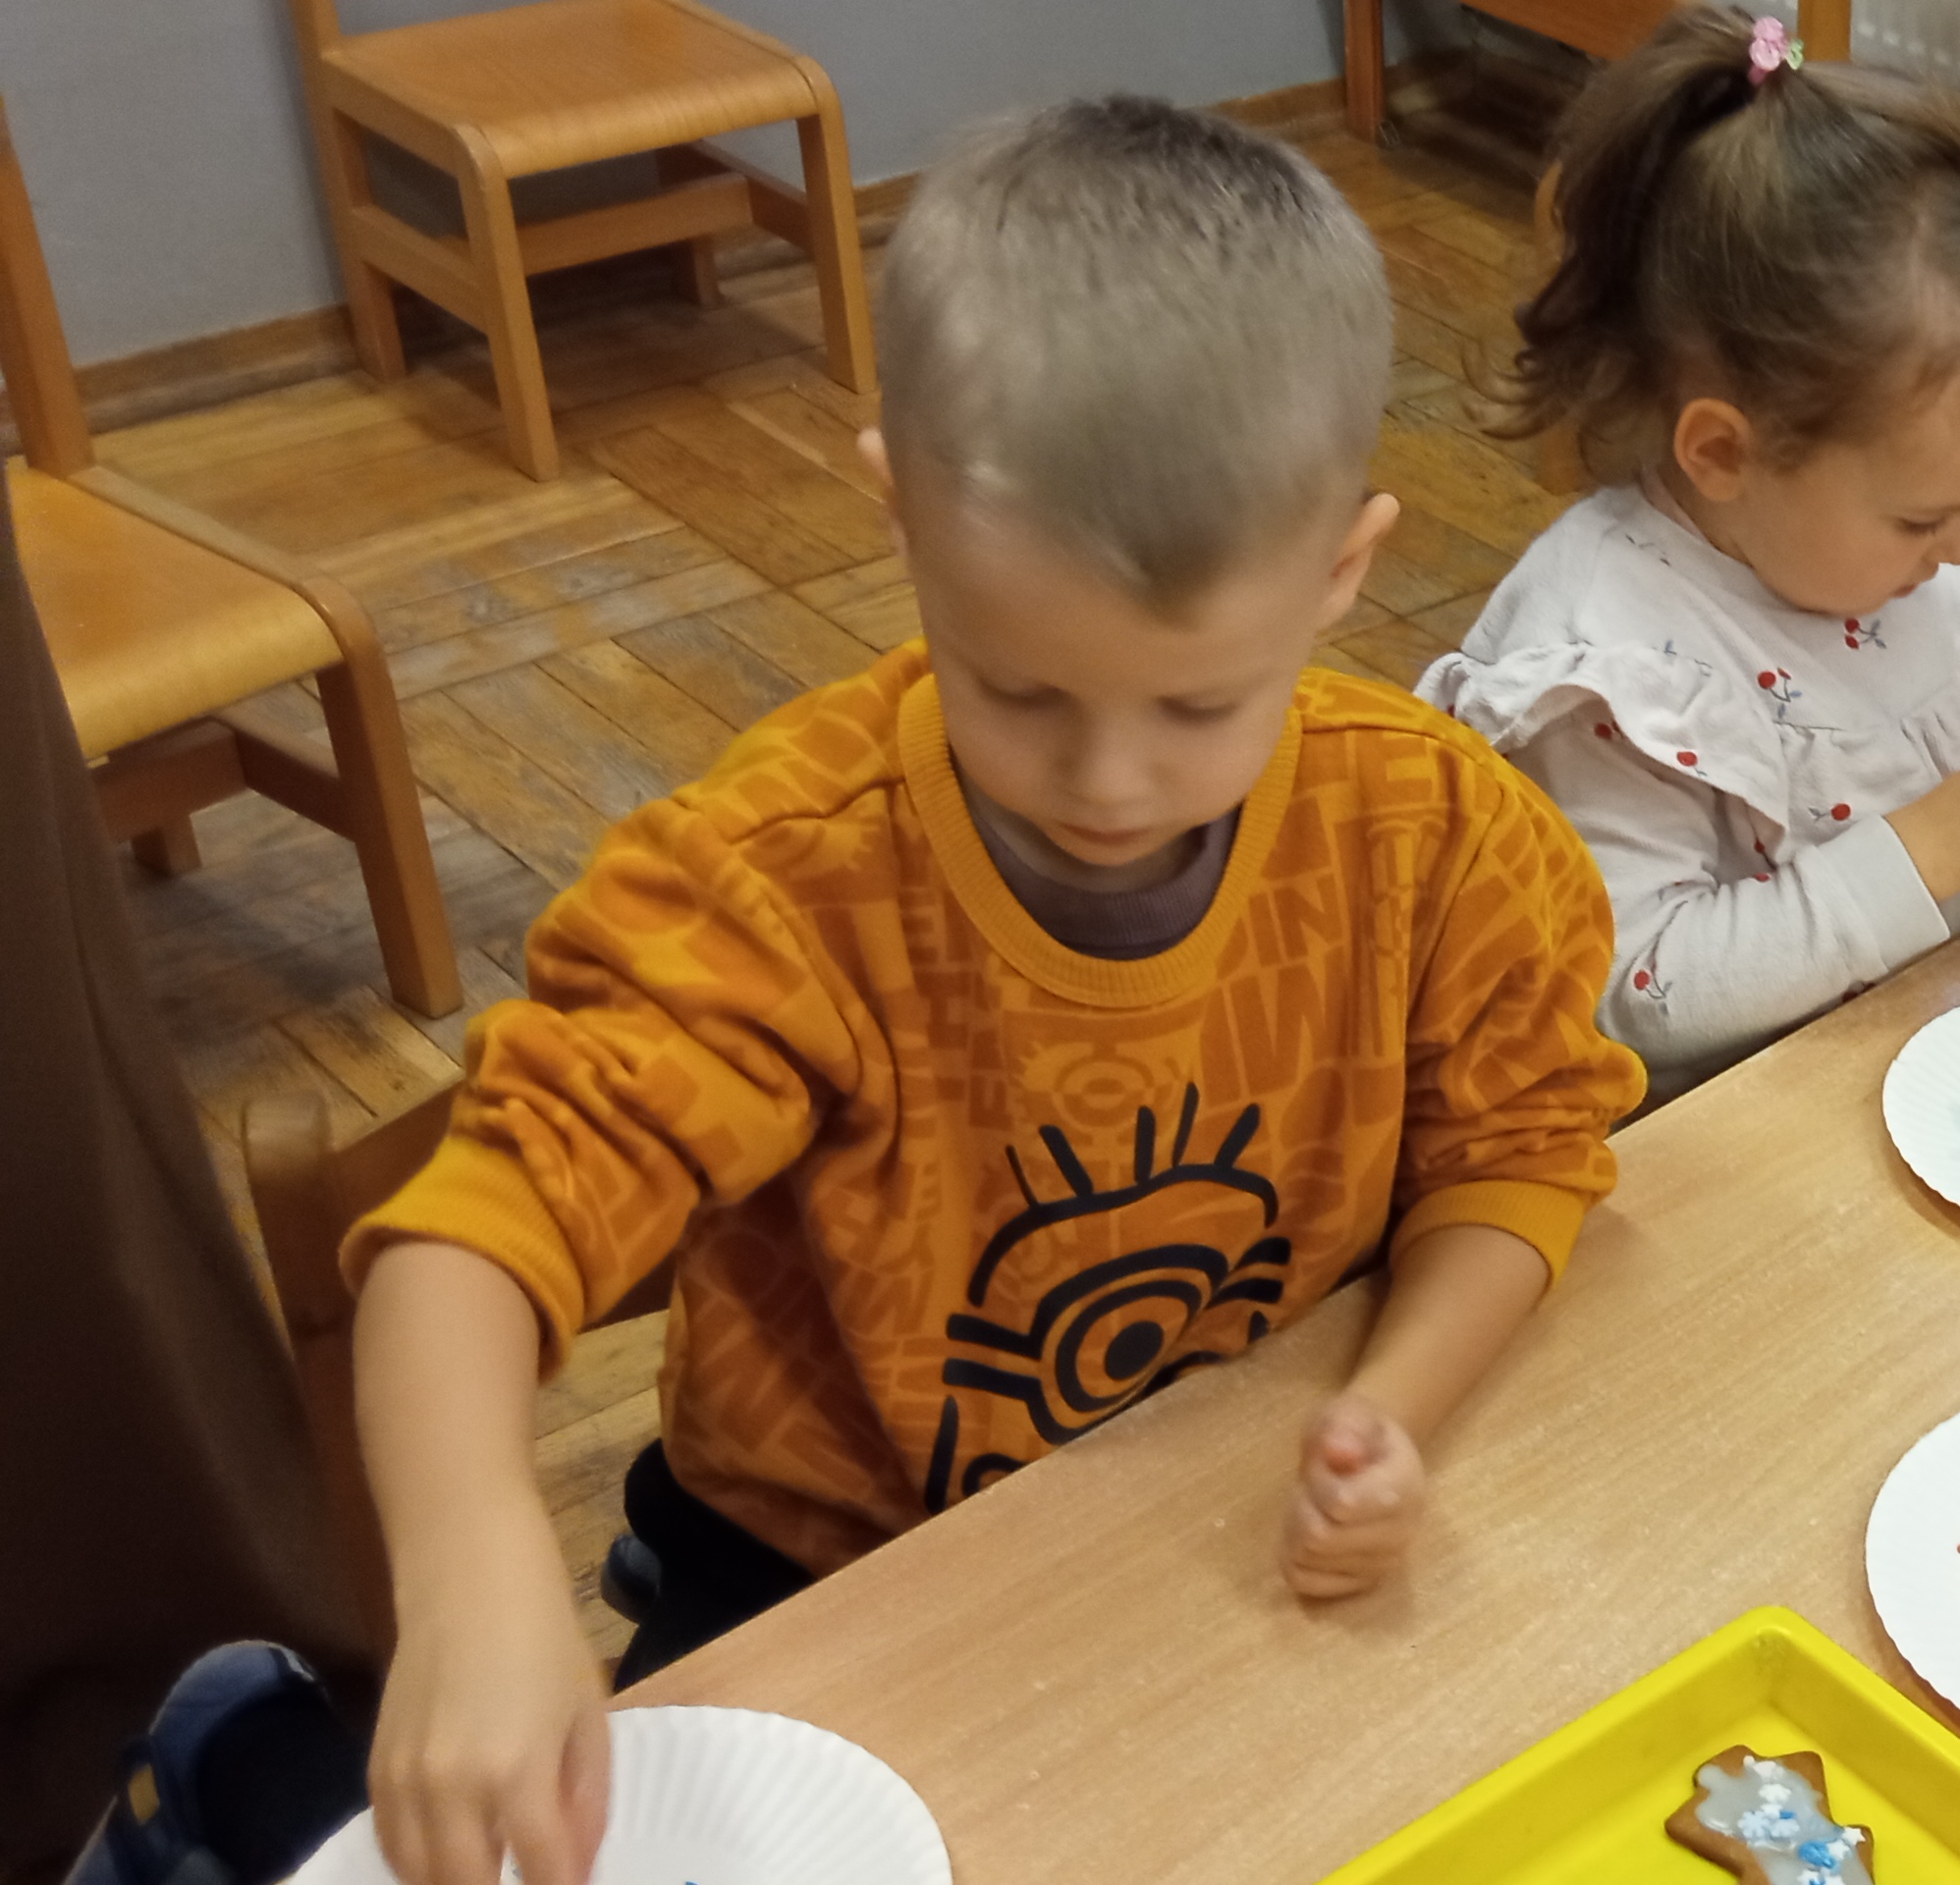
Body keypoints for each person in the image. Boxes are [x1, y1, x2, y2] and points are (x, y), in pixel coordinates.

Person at [340, 98, 1644, 1885]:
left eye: (1198, 705)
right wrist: (472, 1572)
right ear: (902, 516)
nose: (1106, 782)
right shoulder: (782, 884)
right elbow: (470, 1241)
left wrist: (1390, 1410)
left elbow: (1527, 1147)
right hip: (818, 1573)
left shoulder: (1434, 832)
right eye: (1017, 688)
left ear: (1343, 570)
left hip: (1208, 1521)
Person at [1418, 4, 1960, 1102]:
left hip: (1889, 1071)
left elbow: (1924, 818)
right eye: (1924, 518)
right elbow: (1639, 999)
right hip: (1699, 1140)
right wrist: (1932, 849)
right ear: (1723, 453)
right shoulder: (1610, 676)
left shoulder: (1883, 559)